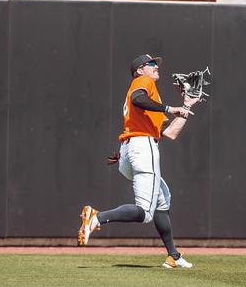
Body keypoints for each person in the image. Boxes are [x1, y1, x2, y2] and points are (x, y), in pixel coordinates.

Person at [78, 54, 200, 269]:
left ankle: (173, 256)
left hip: (131, 150)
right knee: (145, 213)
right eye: (151, 64)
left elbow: (170, 132)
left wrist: (186, 106)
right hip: (143, 148)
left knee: (163, 200)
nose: (156, 67)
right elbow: (137, 97)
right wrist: (170, 109)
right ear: (140, 70)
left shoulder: (153, 99)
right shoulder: (143, 82)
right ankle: (97, 217)